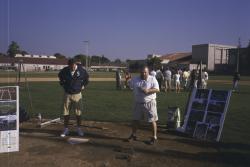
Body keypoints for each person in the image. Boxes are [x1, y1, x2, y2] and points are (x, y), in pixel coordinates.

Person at [127, 66, 160, 145]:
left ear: (148, 72)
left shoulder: (152, 79)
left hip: (149, 103)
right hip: (138, 103)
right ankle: (133, 135)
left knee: (152, 121)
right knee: (135, 120)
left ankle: (154, 137)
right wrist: (127, 80)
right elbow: (130, 86)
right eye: (142, 72)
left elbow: (157, 89)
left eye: (145, 72)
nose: (143, 74)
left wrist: (148, 90)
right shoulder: (135, 79)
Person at [58, 58, 89, 137]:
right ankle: (66, 129)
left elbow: (86, 79)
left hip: (77, 94)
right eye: (70, 66)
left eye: (73, 66)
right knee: (66, 112)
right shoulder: (65, 70)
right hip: (67, 94)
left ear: (76, 64)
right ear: (68, 65)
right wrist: (63, 84)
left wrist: (83, 85)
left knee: (78, 113)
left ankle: (78, 129)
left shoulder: (81, 70)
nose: (71, 67)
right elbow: (60, 76)